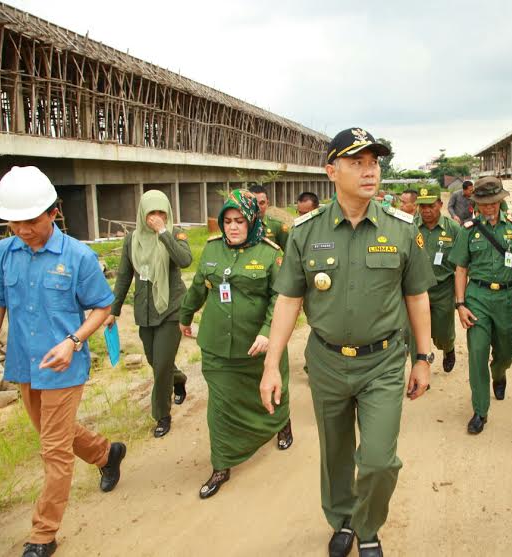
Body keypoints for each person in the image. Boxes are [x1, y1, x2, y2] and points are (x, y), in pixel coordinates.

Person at [259, 127, 434, 557]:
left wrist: (424, 356)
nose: (369, 171)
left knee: (376, 459)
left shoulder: (401, 229)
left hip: (384, 362)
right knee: (335, 453)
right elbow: (288, 299)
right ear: (331, 171)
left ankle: (368, 525)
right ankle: (341, 521)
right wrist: (271, 364)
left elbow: (417, 294)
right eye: (357, 163)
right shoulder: (305, 232)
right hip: (327, 362)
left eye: (373, 162)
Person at [0, 166, 126, 557]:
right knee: (53, 434)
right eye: (14, 222)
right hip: (25, 364)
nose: (22, 229)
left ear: (54, 212)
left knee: (53, 449)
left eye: (30, 221)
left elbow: (102, 306)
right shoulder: (3, 254)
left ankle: (43, 534)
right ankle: (107, 454)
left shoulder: (78, 257)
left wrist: (74, 341)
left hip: (64, 367)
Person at [179, 190, 292, 499]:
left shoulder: (270, 254)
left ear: (251, 221)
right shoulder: (212, 250)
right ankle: (222, 464)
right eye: (227, 221)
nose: (232, 227)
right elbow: (198, 287)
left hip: (256, 345)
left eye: (239, 221)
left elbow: (280, 298)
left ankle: (281, 423)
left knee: (268, 392)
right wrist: (185, 316)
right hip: (217, 345)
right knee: (220, 406)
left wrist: (268, 331)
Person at [448, 176, 512, 434]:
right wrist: (460, 303)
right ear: (476, 203)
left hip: (508, 298)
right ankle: (480, 410)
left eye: (492, 203)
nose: (488, 208)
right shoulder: (468, 229)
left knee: (506, 352)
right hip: (478, 297)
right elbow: (461, 268)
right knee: (476, 353)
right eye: (482, 203)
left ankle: (499, 373)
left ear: (500, 201)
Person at [106, 190, 191, 437]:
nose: (155, 217)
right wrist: (114, 309)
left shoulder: (175, 233)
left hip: (171, 309)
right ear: (142, 214)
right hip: (145, 310)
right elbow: (123, 276)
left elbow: (185, 260)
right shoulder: (132, 239)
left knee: (162, 365)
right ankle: (179, 379)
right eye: (151, 213)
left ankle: (162, 415)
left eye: (161, 213)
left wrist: (163, 232)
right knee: (156, 362)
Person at [415, 184, 462, 372]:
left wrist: (461, 296)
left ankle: (448, 348)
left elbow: (462, 263)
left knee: (442, 332)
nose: (426, 211)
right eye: (422, 206)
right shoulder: (410, 226)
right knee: (416, 333)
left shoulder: (453, 229)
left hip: (443, 287)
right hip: (417, 289)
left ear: (440, 204)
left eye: (430, 206)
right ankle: (421, 366)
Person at [248, 184, 290, 248]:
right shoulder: (240, 225)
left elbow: (289, 253)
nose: (258, 207)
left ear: (267, 203)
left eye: (262, 203)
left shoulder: (277, 226)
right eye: (254, 203)